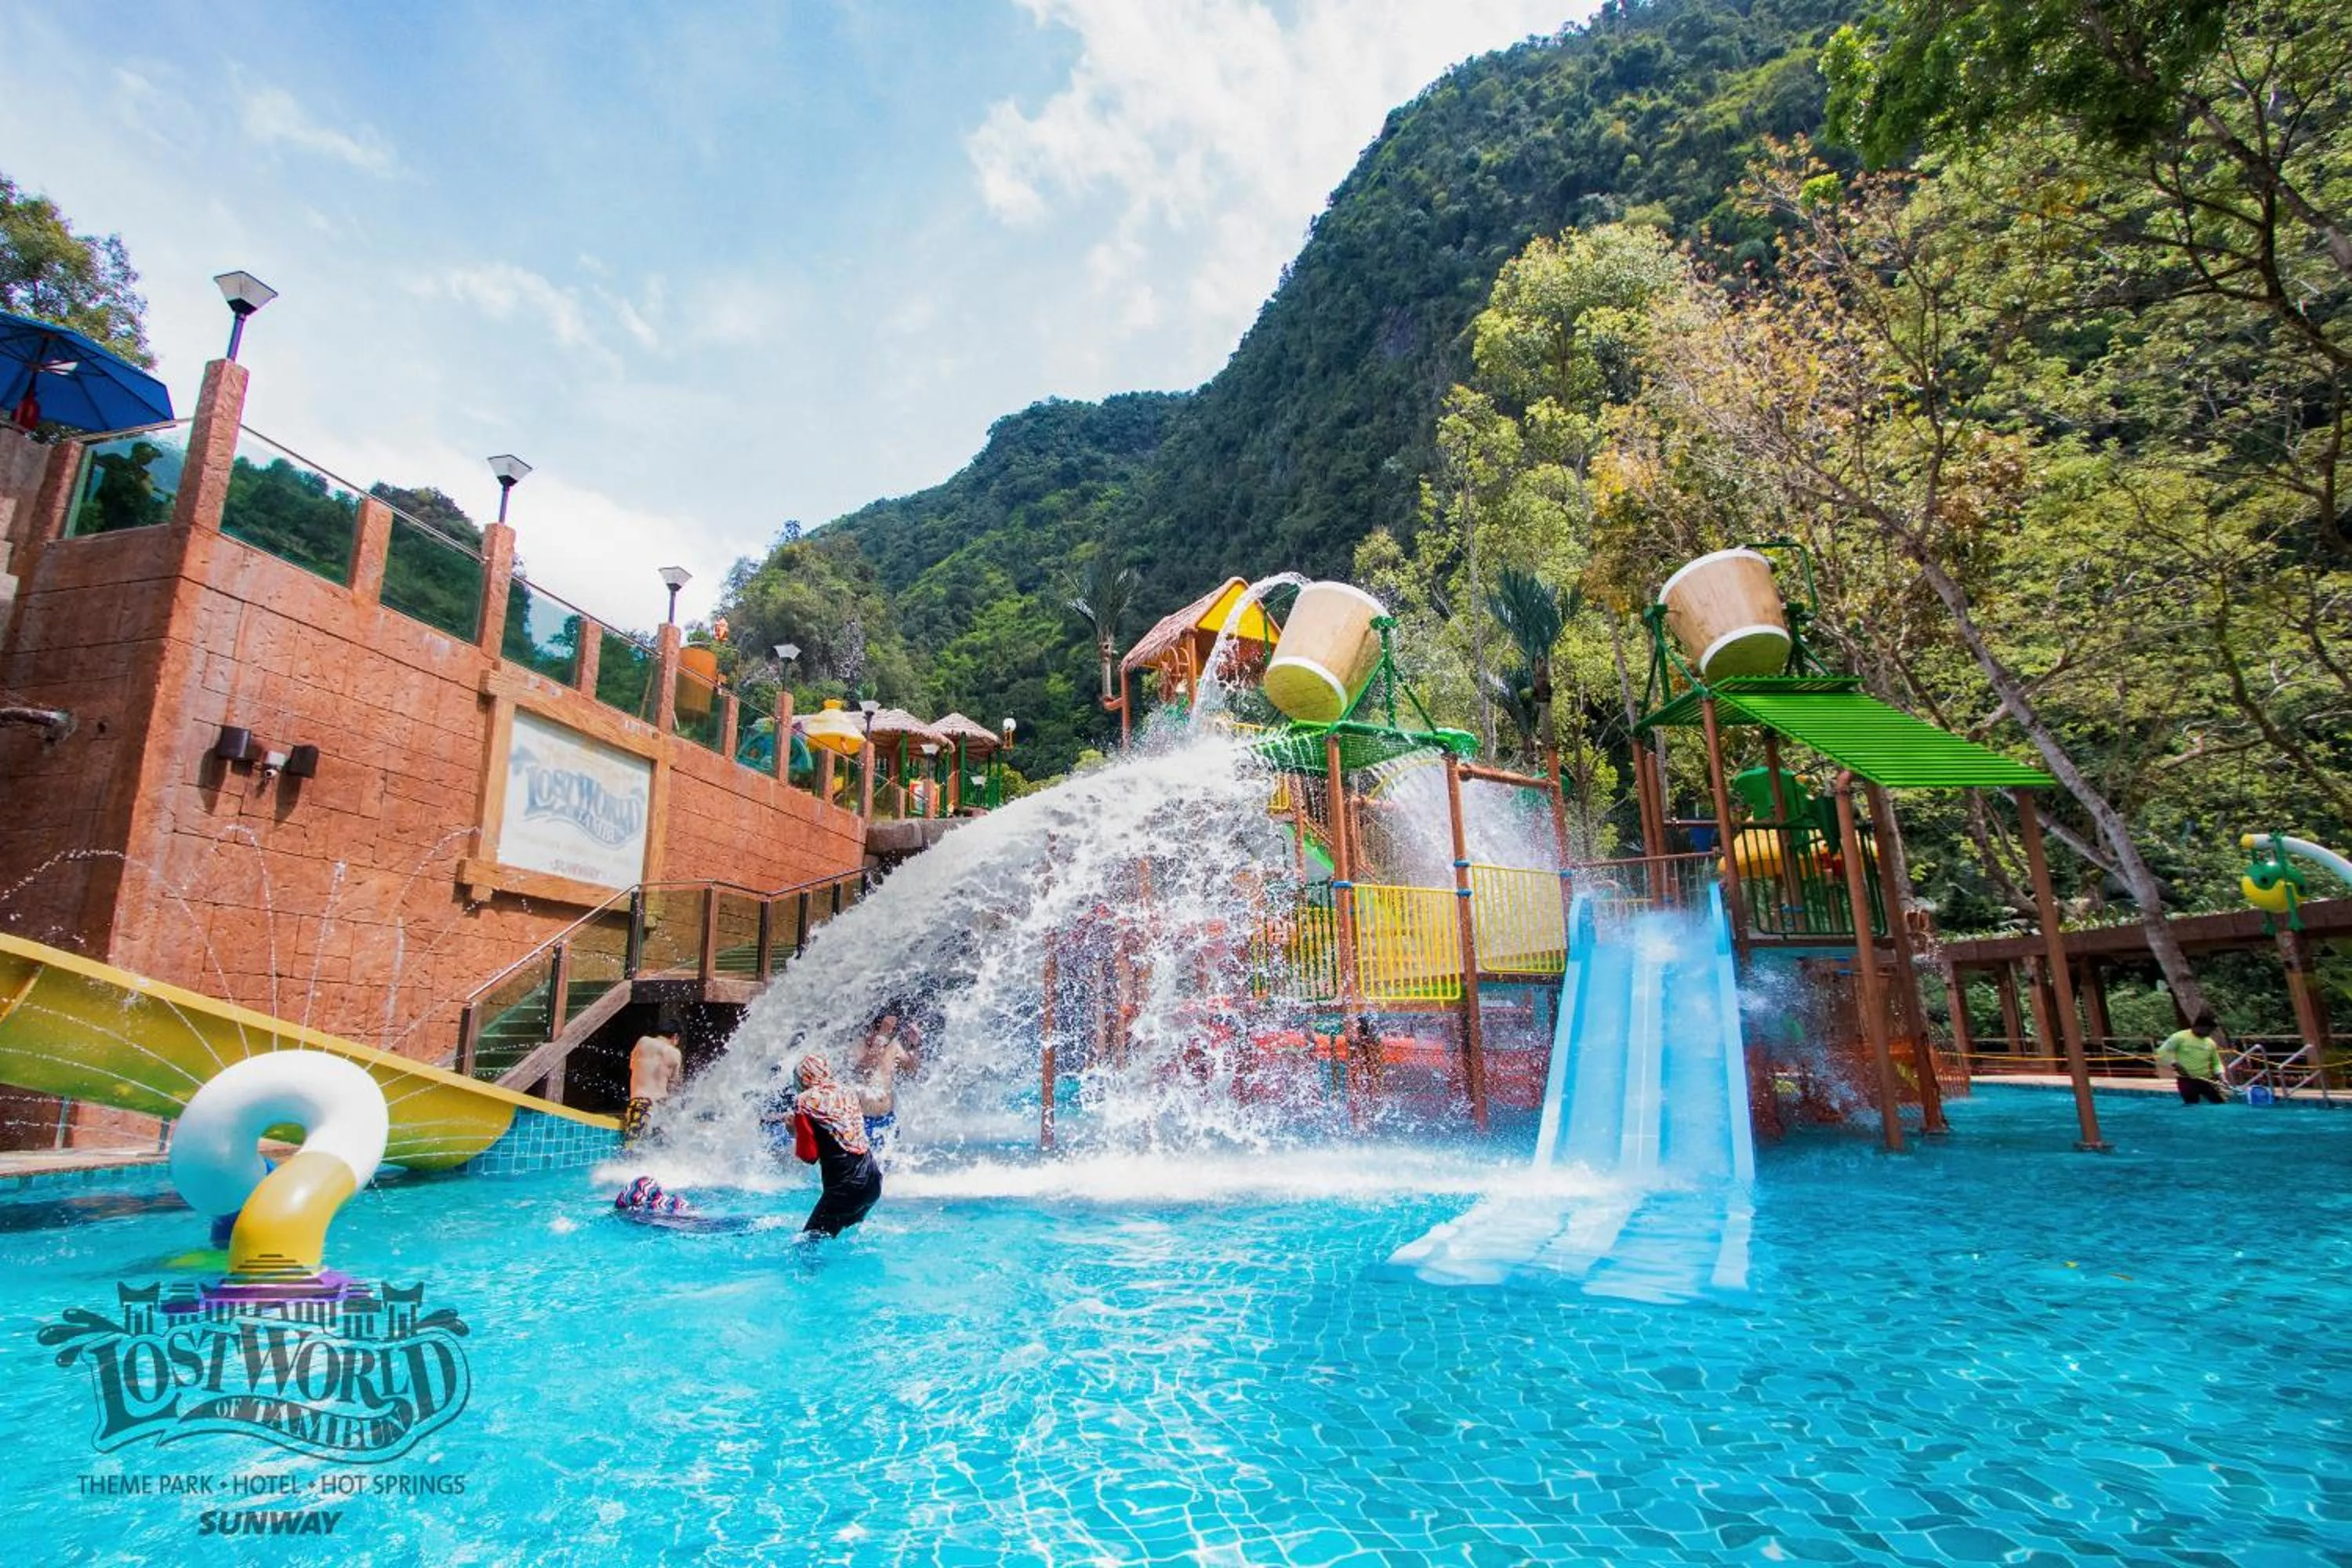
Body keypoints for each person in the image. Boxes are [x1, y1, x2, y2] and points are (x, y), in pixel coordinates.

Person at [789, 1052, 883, 1238]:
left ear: (804, 1078)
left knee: (807, 1243)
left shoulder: (805, 1101)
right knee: (847, 1238)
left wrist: (794, 1131)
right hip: (873, 1181)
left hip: (846, 1188)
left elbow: (809, 1156)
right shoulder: (847, 1091)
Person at [856, 1008, 920, 1154]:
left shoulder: (893, 1046)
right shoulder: (858, 1046)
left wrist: (913, 1045)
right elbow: (865, 1071)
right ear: (872, 1030)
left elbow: (911, 1071)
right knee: (866, 1165)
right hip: (864, 1121)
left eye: (890, 1034)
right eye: (886, 1032)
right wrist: (882, 1036)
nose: (887, 1038)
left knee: (888, 1163)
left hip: (887, 1118)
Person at [624, 1018, 686, 1142]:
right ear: (675, 1037)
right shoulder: (675, 1054)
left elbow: (632, 1065)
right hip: (661, 1108)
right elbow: (674, 1085)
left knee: (634, 1150)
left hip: (640, 1106)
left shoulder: (643, 1042)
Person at [2157, 1011, 2230, 1105]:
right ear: (2199, 1026)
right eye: (2208, 1030)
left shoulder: (2210, 1043)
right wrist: (2174, 1063)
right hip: (2186, 1080)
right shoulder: (2179, 1037)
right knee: (2192, 1106)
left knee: (2220, 1103)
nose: (2210, 1033)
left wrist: (2222, 1077)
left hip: (2206, 1079)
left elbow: (2217, 1063)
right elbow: (2162, 1051)